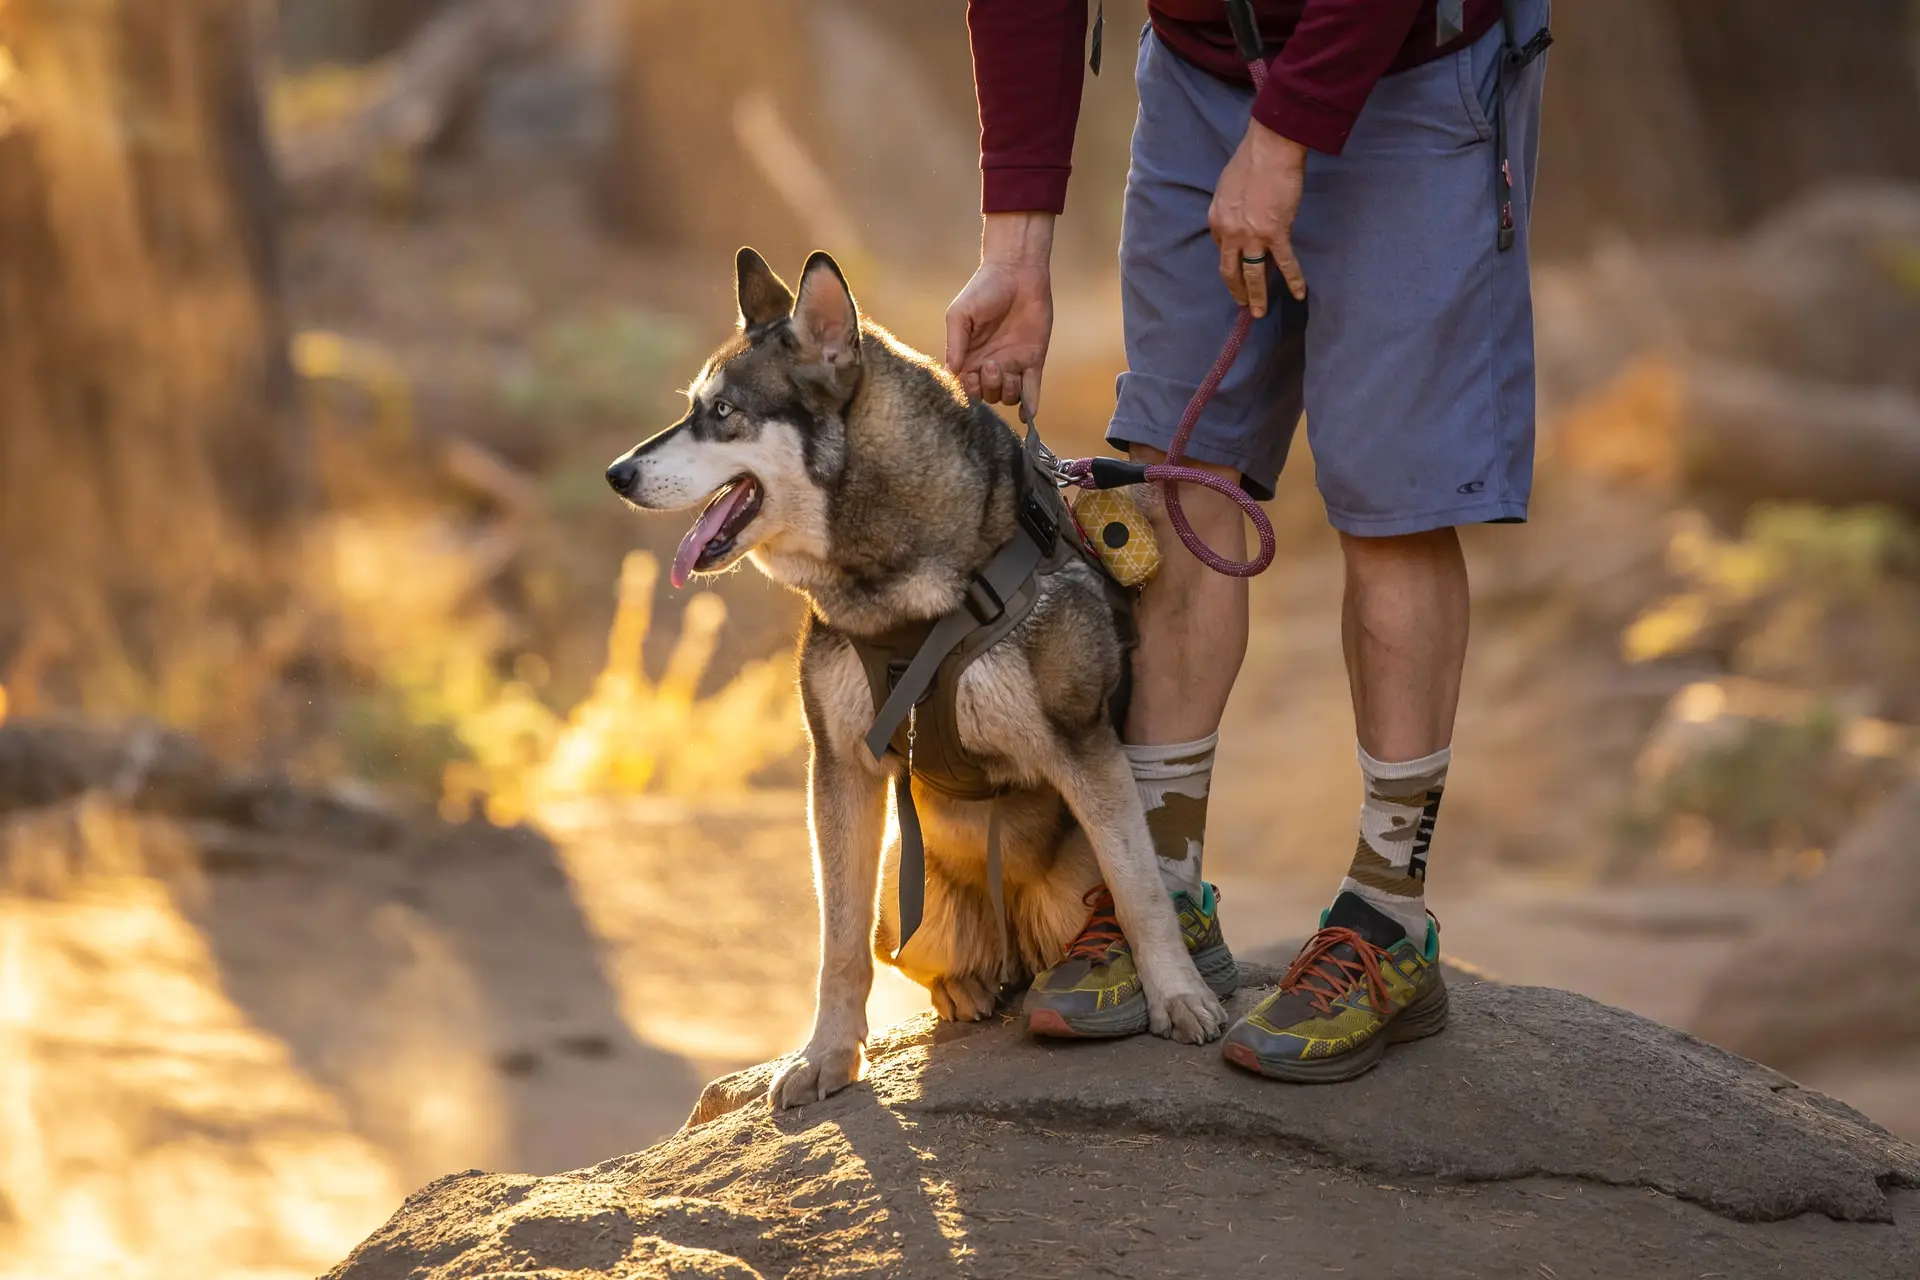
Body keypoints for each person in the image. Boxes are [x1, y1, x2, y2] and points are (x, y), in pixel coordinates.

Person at [945, 0, 1549, 1081]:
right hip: (1201, 70)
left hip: (1416, 72)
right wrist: (1016, 249)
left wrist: (1283, 141)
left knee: (1394, 505)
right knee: (1173, 480)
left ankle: (1387, 918)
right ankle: (1160, 892)